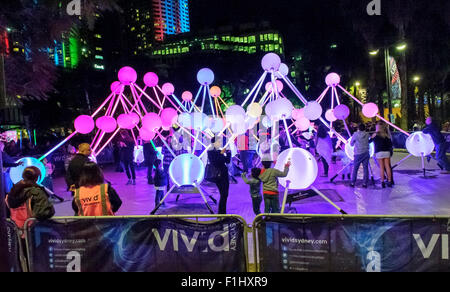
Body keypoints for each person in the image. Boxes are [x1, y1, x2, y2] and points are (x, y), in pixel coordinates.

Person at [6, 167, 55, 237]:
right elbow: (44, 212)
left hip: (16, 231)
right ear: (36, 177)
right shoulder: (36, 192)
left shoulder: (12, 192)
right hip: (34, 231)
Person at [208, 137, 231, 214]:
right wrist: (221, 153)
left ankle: (222, 212)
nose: (220, 143)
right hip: (218, 175)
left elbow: (227, 161)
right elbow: (216, 161)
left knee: (225, 194)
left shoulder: (218, 151)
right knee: (223, 194)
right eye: (219, 142)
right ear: (214, 143)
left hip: (224, 174)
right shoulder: (211, 151)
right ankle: (221, 213)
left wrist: (228, 152)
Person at [370, 122, 394, 188]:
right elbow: (390, 144)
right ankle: (389, 181)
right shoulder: (386, 135)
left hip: (379, 152)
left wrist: (372, 137)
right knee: (387, 167)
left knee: (382, 167)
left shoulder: (375, 134)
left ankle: (382, 182)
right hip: (387, 152)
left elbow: (369, 141)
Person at [350, 124, 370, 188]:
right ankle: (365, 183)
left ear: (358, 128)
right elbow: (368, 141)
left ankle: (353, 182)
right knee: (365, 168)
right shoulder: (367, 134)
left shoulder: (355, 134)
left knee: (355, 168)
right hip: (366, 153)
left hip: (358, 153)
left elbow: (351, 144)